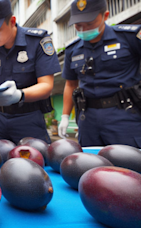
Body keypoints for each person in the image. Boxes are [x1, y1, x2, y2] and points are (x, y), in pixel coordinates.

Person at [0, 0, 61, 145]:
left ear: (12, 21)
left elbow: (46, 86)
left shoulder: (37, 41)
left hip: (28, 117)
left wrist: (20, 95)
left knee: (34, 162)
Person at [58, 0, 141, 148]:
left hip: (124, 114)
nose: (83, 29)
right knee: (91, 165)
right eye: (78, 25)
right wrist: (64, 116)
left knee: (128, 165)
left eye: (89, 23)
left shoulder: (129, 37)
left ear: (105, 16)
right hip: (87, 119)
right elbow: (71, 84)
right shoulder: (72, 50)